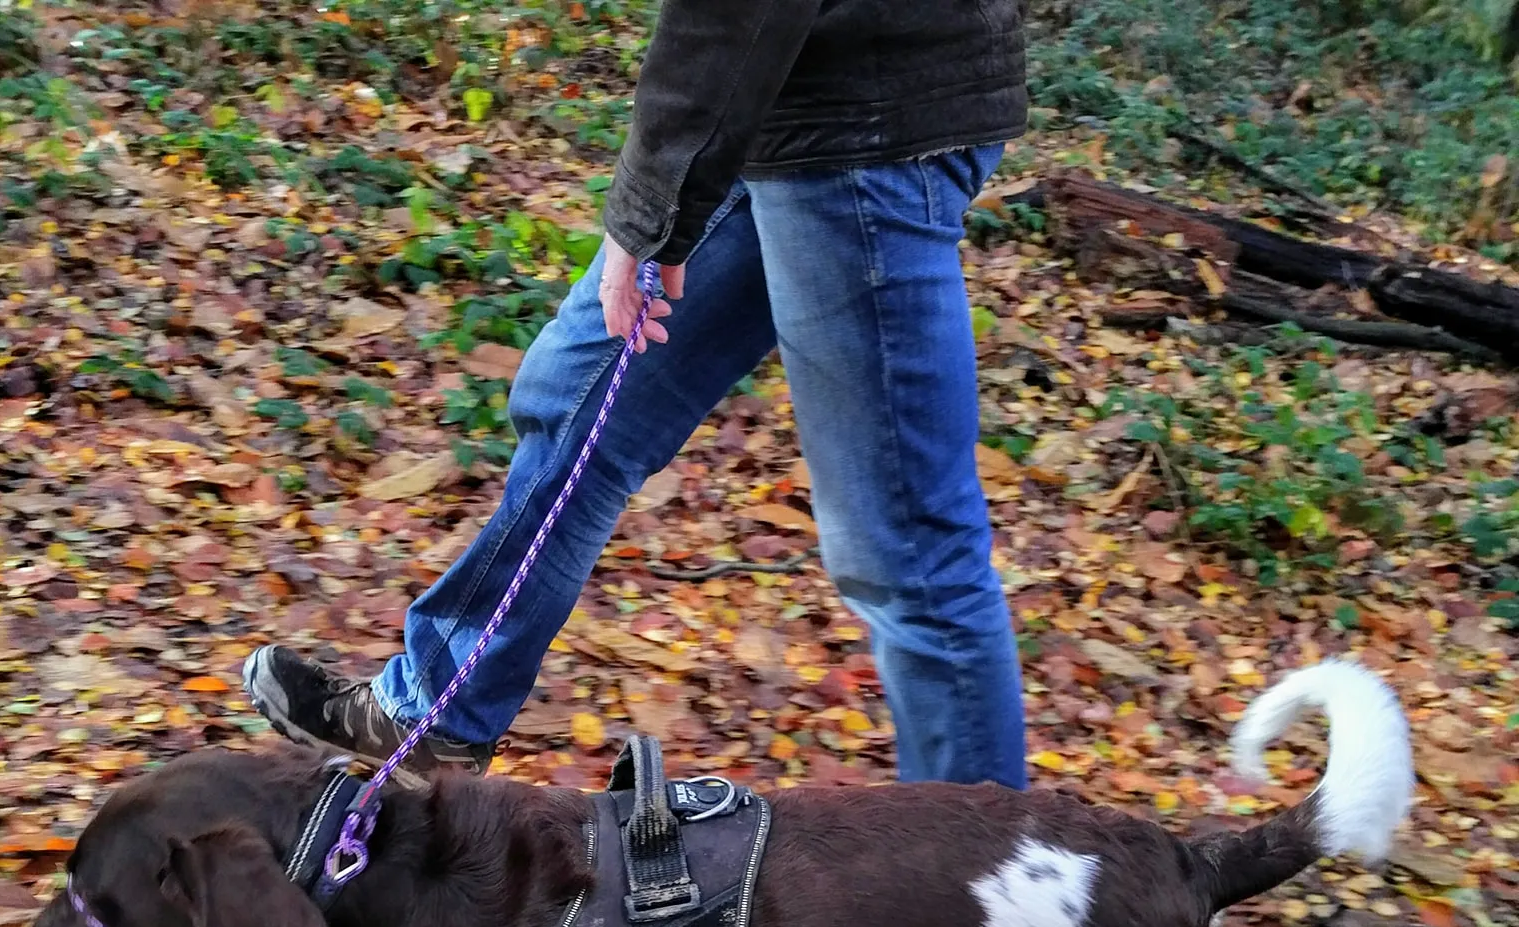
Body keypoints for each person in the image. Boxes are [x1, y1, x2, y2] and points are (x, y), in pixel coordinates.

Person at [245, 0, 1030, 788]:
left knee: (906, 551)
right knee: (579, 400)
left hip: (865, 128)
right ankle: (439, 713)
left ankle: (980, 878)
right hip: (789, 103)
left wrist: (650, 211)